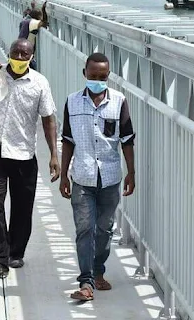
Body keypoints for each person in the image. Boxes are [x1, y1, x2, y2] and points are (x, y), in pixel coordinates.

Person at [0, 39, 59, 277]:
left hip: (24, 152)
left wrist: (54, 154)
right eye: (16, 53)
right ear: (9, 53)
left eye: (25, 54)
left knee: (23, 207)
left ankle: (16, 252)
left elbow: (48, 119)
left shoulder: (39, 82)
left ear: (32, 57)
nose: (20, 58)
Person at [59, 52, 136, 301]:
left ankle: (98, 271)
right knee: (84, 229)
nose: (97, 80)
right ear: (85, 74)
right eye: (93, 76)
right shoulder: (72, 102)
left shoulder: (119, 101)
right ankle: (86, 282)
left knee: (104, 229)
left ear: (108, 75)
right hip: (82, 176)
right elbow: (68, 141)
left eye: (102, 76)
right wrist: (63, 175)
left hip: (110, 177)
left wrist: (131, 172)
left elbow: (126, 140)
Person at [17, 2, 48, 70]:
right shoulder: (32, 22)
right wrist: (43, 9)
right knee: (32, 69)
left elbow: (34, 14)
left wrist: (33, 8)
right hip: (25, 53)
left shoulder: (25, 21)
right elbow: (44, 23)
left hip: (19, 48)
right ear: (38, 17)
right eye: (40, 17)